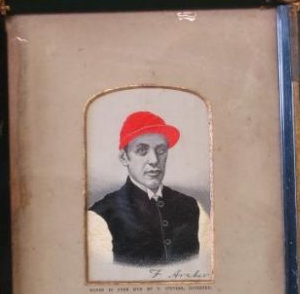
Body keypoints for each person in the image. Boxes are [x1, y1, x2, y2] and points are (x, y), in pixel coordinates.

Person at [88, 111, 209, 266]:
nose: (154, 160)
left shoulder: (192, 206)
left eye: (161, 150)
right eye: (142, 150)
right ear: (124, 158)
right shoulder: (100, 216)